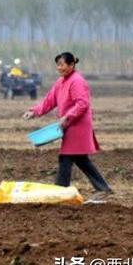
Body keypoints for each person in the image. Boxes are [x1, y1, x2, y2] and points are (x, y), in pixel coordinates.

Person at [23, 52, 113, 202]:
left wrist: (68, 116)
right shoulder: (61, 82)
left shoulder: (77, 81)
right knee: (80, 158)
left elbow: (82, 104)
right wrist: (33, 112)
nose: (59, 68)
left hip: (78, 125)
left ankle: (60, 191)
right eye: (57, 65)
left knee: (66, 157)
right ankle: (102, 188)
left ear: (71, 65)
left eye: (62, 65)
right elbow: (49, 101)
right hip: (67, 124)